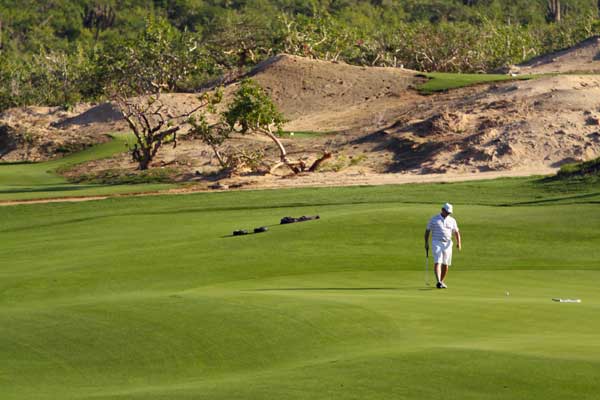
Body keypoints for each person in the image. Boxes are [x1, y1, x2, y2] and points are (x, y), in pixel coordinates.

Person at [424, 203, 462, 289]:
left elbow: (456, 232)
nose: (448, 214)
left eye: (449, 213)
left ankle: (441, 281)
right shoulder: (434, 219)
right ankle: (438, 281)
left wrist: (459, 243)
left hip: (448, 244)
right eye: (447, 212)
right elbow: (427, 231)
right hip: (436, 242)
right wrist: (426, 242)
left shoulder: (452, 220)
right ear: (442, 210)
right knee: (438, 261)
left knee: (446, 264)